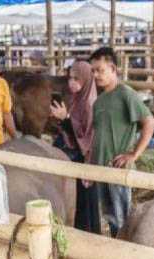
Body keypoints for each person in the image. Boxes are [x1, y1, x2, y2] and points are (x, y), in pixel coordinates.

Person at [88, 46, 154, 237]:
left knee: (122, 217)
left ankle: (125, 255)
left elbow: (149, 122)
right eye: (93, 71)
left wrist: (134, 154)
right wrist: (91, 164)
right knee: (110, 216)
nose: (96, 75)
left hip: (118, 167)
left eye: (100, 70)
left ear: (113, 69)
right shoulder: (99, 102)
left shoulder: (126, 93)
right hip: (102, 168)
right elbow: (98, 135)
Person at [49, 61, 101, 234]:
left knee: (84, 205)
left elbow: (86, 138)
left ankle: (88, 240)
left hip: (85, 160)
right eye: (70, 78)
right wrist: (64, 119)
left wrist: (66, 119)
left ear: (86, 79)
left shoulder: (89, 104)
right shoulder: (77, 99)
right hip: (77, 157)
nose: (71, 82)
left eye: (76, 79)